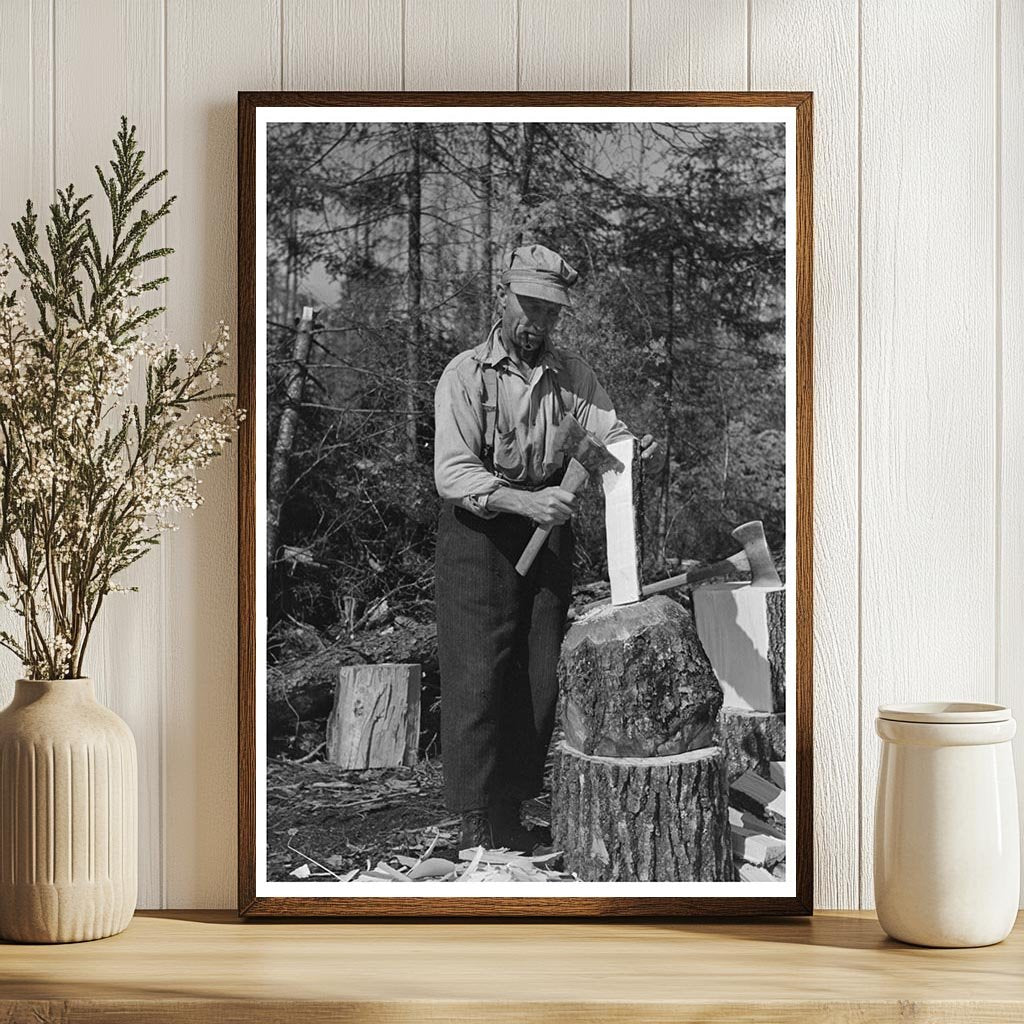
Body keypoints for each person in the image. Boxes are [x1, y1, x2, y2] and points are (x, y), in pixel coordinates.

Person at [432, 243, 662, 853]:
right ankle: (474, 826)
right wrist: (522, 502)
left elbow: (611, 435)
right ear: (502, 297)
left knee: (536, 677)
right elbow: (453, 475)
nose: (538, 322)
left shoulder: (573, 376)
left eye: (551, 312)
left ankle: (510, 816)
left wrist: (631, 450)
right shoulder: (465, 374)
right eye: (529, 306)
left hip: (548, 528)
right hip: (479, 531)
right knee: (476, 676)